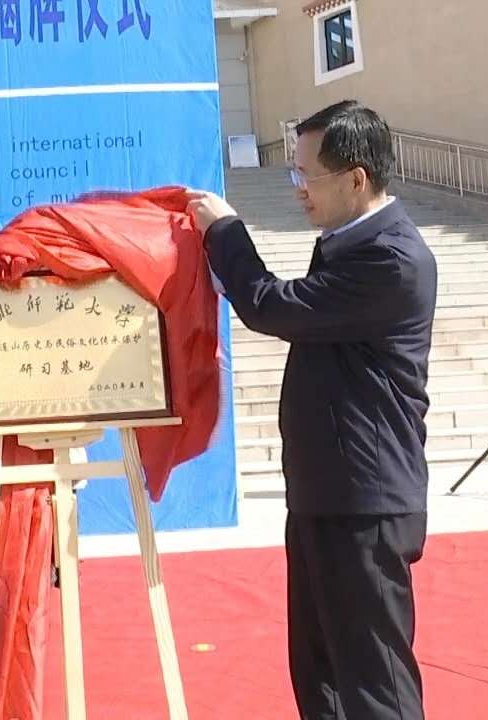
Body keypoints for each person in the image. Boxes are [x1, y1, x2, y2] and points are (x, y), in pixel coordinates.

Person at [187, 100, 438, 720]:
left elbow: (271, 306)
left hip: (365, 502)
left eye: (306, 174)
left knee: (374, 685)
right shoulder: (346, 244)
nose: (297, 188)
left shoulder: (392, 260)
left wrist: (226, 232)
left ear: (355, 178)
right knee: (319, 672)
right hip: (326, 492)